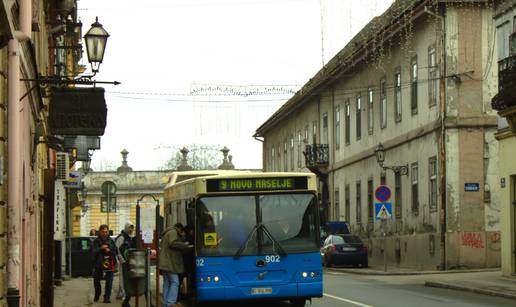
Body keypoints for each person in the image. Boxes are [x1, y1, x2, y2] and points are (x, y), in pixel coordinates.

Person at [159, 223, 192, 307]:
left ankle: (166, 303)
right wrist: (185, 245)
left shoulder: (167, 233)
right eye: (181, 232)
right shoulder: (173, 232)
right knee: (175, 282)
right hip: (169, 263)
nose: (181, 233)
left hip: (164, 262)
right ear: (179, 228)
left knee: (167, 283)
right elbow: (173, 243)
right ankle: (170, 303)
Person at [91, 224, 119, 303]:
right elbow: (93, 252)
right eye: (103, 232)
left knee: (109, 282)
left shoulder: (111, 241)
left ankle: (107, 297)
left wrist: (109, 251)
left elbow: (116, 252)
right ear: (100, 232)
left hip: (109, 265)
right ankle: (97, 294)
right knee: (96, 281)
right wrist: (101, 248)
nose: (105, 233)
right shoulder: (96, 241)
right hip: (98, 265)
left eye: (106, 232)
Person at [115, 221, 136, 305]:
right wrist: (122, 260)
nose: (131, 229)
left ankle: (121, 294)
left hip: (127, 262)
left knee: (125, 279)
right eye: (130, 227)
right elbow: (118, 250)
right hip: (122, 262)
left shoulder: (128, 237)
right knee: (123, 279)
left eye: (132, 228)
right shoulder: (122, 237)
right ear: (126, 227)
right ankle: (124, 298)